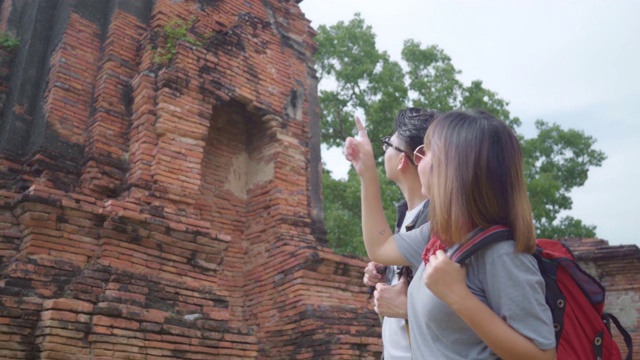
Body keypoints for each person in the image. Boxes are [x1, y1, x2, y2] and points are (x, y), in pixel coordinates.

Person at [345, 110, 556, 359]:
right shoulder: (439, 237)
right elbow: (380, 247)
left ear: (454, 169)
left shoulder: (500, 254)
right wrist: (366, 170)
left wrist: (459, 297)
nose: (418, 161)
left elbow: (543, 356)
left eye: (426, 152)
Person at [362, 108, 438, 360]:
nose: (384, 151)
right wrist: (386, 271)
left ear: (404, 159)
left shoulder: (438, 222)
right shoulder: (406, 217)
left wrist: (366, 171)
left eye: (388, 145)